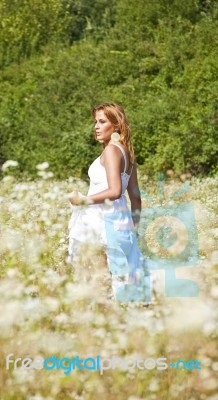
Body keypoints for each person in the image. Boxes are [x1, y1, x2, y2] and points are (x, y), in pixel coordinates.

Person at [68, 102, 150, 303]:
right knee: (119, 273)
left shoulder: (112, 151)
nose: (96, 126)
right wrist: (134, 226)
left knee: (99, 277)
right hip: (119, 217)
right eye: (95, 121)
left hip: (101, 217)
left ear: (116, 125)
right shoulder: (127, 154)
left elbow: (114, 191)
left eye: (102, 121)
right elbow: (135, 196)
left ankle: (106, 320)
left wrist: (82, 200)